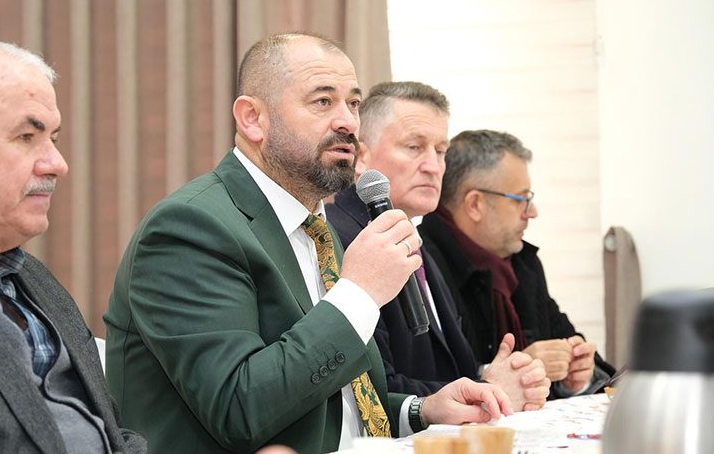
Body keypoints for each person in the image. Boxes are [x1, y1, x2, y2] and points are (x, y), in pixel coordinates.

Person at [104, 33, 512, 454]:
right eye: (323, 101)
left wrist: (421, 409)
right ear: (252, 119)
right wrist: (359, 293)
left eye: (353, 103)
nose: (348, 122)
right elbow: (240, 409)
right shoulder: (190, 227)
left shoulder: (316, 228)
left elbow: (329, 403)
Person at [0, 38, 147, 453]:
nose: (57, 165)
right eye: (26, 136)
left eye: (53, 139)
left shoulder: (31, 279)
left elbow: (114, 437)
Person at [326, 82, 550, 411]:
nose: (433, 166)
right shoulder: (338, 238)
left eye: (440, 150)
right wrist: (484, 390)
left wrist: (498, 376)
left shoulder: (415, 240)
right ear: (361, 157)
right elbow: (368, 390)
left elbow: (444, 367)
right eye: (414, 147)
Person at [419, 129, 616, 398]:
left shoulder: (523, 264)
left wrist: (576, 374)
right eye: (522, 199)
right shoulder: (421, 265)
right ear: (475, 204)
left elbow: (567, 340)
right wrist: (515, 370)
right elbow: (425, 380)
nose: (532, 212)